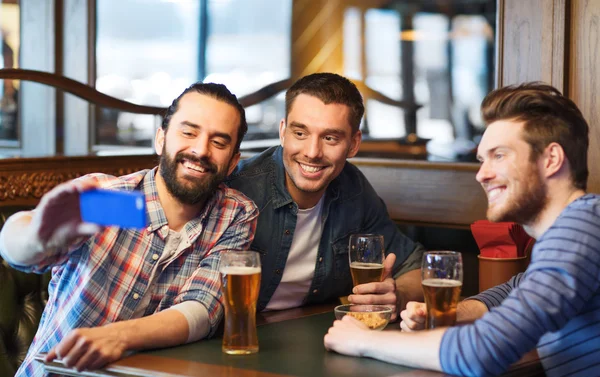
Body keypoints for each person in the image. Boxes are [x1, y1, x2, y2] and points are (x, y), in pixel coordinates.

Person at [324, 82, 600, 376]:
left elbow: (482, 351)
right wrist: (448, 314)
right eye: (482, 159)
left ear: (551, 159)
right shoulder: (583, 226)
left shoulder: (581, 227)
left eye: (499, 155)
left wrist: (362, 340)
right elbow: (516, 289)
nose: (482, 174)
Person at [0, 83, 259, 375]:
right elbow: (14, 249)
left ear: (233, 161)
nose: (200, 150)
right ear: (161, 139)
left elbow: (202, 309)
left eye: (219, 142)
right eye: (188, 132)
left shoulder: (234, 214)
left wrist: (119, 336)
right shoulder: (108, 197)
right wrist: (37, 234)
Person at [226, 72, 425, 318]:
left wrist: (398, 295)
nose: (312, 152)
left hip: (313, 330)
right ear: (282, 132)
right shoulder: (237, 189)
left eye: (330, 138)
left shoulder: (353, 189)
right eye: (300, 133)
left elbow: (414, 266)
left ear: (353, 144)